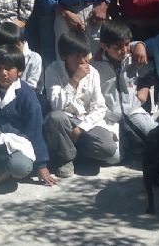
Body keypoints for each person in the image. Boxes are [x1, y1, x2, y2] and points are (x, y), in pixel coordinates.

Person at [0, 45, 57, 190]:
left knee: (20, 169)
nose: (3, 73)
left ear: (19, 71)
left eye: (8, 68)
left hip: (19, 142)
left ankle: (8, 169)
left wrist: (42, 165)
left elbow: (35, 131)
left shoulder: (27, 94)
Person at [44, 30, 118, 177]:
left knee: (109, 150)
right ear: (64, 56)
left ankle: (74, 153)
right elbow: (56, 105)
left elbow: (99, 107)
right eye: (77, 57)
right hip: (65, 120)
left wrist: (82, 128)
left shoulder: (93, 73)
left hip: (86, 121)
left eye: (85, 55)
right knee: (55, 118)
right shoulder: (53, 70)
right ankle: (66, 159)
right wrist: (74, 80)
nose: (83, 61)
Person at [90, 20, 156, 145]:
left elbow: (149, 72)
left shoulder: (134, 56)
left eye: (127, 44)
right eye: (118, 47)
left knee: (156, 136)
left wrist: (145, 89)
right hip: (109, 118)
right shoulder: (94, 65)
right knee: (113, 157)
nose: (124, 50)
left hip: (133, 110)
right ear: (104, 46)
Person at [0, 22, 44, 96]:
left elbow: (32, 86)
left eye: (19, 44)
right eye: (14, 46)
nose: (19, 47)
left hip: (28, 97)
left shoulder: (34, 58)